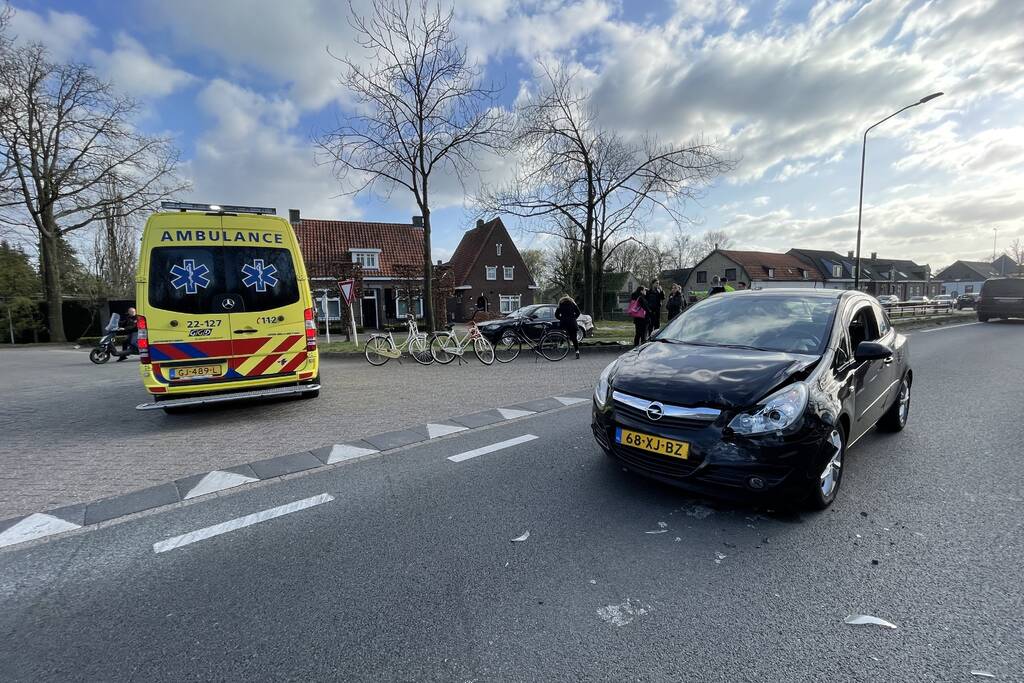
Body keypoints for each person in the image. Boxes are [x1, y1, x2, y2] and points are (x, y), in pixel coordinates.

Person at [555, 294, 582, 359]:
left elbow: (556, 315)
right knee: (574, 338)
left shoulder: (560, 304)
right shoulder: (573, 304)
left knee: (563, 336)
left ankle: (562, 351)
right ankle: (577, 352)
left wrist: (561, 318)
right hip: (572, 323)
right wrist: (574, 318)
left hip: (564, 323)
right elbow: (578, 312)